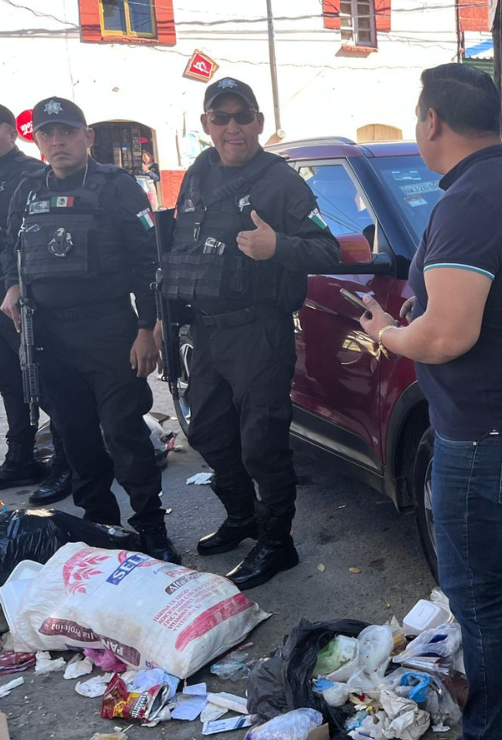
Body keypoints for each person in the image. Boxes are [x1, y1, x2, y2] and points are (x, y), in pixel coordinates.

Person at [357, 63, 502, 740]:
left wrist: (386, 333)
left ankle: (492, 728)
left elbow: (448, 332)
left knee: (484, 595)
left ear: (432, 121)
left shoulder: (472, 200)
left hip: (487, 432)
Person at [158, 78, 340, 589]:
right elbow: (181, 250)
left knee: (262, 445)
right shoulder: (198, 173)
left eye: (243, 116)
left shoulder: (281, 181)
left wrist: (277, 245)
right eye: (222, 118)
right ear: (206, 125)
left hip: (259, 331)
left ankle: (278, 543)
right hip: (207, 331)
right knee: (209, 433)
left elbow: (327, 250)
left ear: (259, 121)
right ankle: (243, 517)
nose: (233, 127)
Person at [0, 98, 178, 562]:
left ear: (87, 136)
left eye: (67, 132)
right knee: (76, 439)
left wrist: (146, 330)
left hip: (110, 332)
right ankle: (102, 530)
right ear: (36, 140)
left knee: (124, 435)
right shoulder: (27, 190)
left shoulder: (118, 188)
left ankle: (151, 528)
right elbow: (10, 249)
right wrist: (14, 285)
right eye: (47, 133)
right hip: (50, 338)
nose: (57, 141)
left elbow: (147, 263)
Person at [0, 102, 73, 504]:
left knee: (41, 382)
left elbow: (18, 239)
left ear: (10, 131)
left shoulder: (28, 175)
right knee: (9, 380)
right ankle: (21, 458)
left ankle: (67, 462)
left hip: (19, 290)